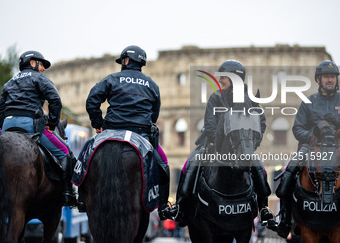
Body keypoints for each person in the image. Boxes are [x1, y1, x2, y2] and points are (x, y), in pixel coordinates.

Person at [174, 60, 275, 228]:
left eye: (224, 77)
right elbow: (210, 124)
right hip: (213, 146)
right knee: (189, 165)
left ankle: (264, 208)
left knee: (260, 169)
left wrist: (252, 144)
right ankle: (181, 206)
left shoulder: (251, 99)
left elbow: (261, 123)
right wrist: (220, 145)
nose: (220, 80)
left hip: (242, 147)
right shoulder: (216, 97)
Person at [85, 45, 171, 219]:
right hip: (141, 135)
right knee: (164, 166)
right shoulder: (152, 85)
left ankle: (80, 198)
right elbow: (155, 114)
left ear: (125, 61)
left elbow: (92, 100)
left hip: (111, 132)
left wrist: (98, 123)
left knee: (85, 157)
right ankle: (163, 207)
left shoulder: (112, 79)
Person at [0, 50, 77, 206]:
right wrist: (52, 124)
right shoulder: (40, 78)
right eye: (41, 64)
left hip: (6, 125)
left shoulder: (9, 83)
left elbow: (1, 109)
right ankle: (68, 194)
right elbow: (55, 100)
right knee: (66, 153)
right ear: (33, 63)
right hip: (30, 124)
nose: (43, 69)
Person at [275, 60, 340, 238]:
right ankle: (285, 221)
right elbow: (297, 129)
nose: (330, 80)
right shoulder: (308, 102)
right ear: (318, 79)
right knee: (289, 173)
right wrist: (314, 133)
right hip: (311, 148)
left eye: (333, 77)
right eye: (326, 76)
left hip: (338, 148)